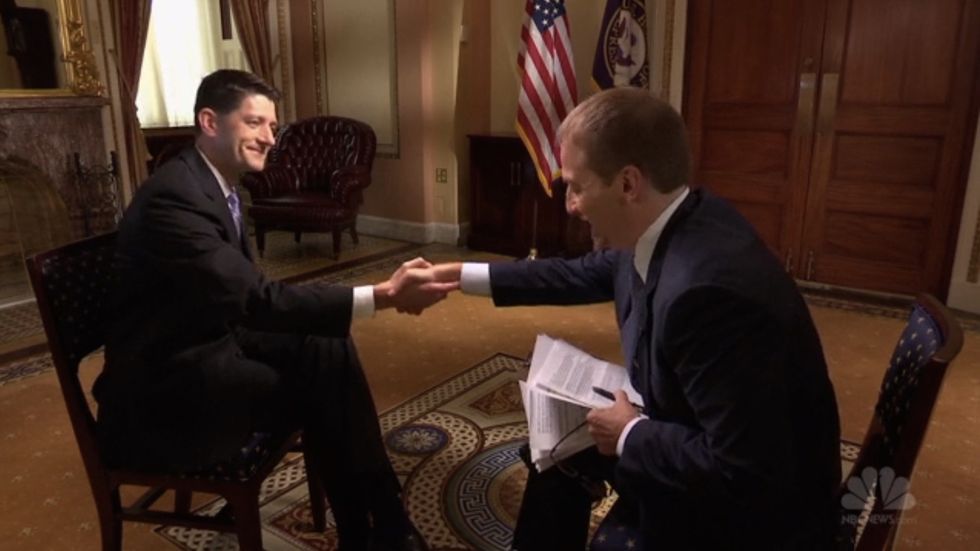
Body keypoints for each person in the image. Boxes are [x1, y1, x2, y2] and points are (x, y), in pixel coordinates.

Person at [405, 88, 842, 549]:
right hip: (706, 440)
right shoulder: (677, 221)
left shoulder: (707, 294)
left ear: (628, 184)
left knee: (581, 456)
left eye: (576, 185)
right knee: (553, 449)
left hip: (761, 520)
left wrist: (631, 431)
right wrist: (454, 275)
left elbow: (745, 472)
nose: (569, 203)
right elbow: (570, 275)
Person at [94, 69, 447, 551]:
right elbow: (256, 300)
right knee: (325, 385)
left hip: (209, 339)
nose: (269, 138)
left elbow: (243, 300)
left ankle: (374, 528)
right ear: (210, 121)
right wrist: (383, 294)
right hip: (165, 388)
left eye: (273, 126)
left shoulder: (219, 186)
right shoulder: (174, 198)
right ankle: (381, 524)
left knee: (328, 347)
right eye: (255, 123)